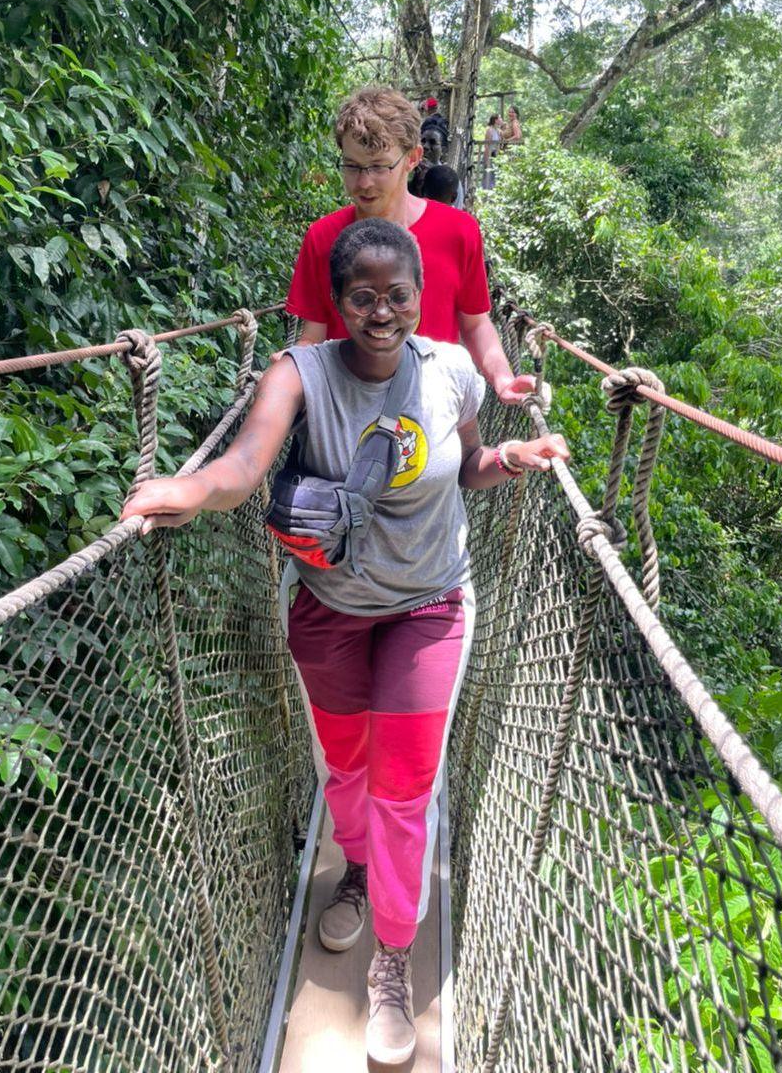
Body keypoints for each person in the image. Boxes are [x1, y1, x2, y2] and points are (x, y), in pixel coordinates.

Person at [121, 219, 569, 1065]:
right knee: (346, 770)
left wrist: (507, 458)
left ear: (417, 298)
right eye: (361, 296)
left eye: (397, 295)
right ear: (337, 300)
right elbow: (248, 463)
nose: (381, 312)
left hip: (427, 606)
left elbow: (466, 466)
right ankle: (357, 871)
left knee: (404, 788)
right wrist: (189, 487)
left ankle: (392, 957)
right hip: (329, 606)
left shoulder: (451, 374)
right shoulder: (299, 372)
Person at [285, 85, 533, 406]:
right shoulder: (323, 236)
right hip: (341, 415)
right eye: (352, 166)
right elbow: (313, 336)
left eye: (378, 166)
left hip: (434, 416)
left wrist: (502, 378)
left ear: (412, 158)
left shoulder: (459, 231)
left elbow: (475, 323)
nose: (363, 182)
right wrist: (290, 368)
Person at [482, 113, 503, 189]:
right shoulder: (489, 130)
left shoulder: (498, 131)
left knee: (494, 175)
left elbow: (498, 145)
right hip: (489, 155)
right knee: (487, 175)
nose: (501, 120)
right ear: (496, 120)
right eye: (500, 118)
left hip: (495, 156)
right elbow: (486, 145)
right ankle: (485, 193)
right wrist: (487, 159)